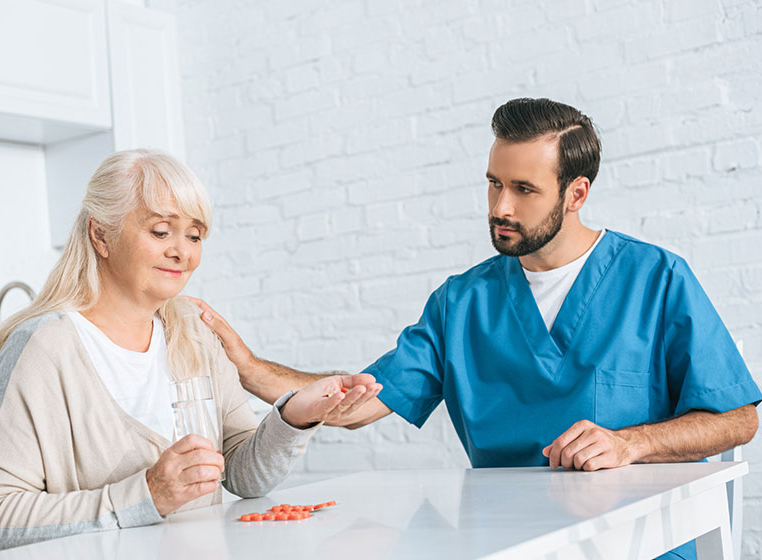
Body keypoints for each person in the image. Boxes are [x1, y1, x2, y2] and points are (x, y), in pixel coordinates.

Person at [189, 98, 761, 560]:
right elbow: (359, 402)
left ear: (577, 193)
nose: (500, 206)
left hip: (640, 541)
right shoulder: (461, 302)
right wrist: (248, 368)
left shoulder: (655, 277)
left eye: (524, 190)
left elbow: (739, 418)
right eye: (493, 183)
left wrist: (631, 442)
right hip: (509, 541)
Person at [0, 150, 374, 556]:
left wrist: (291, 417)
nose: (183, 252)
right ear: (100, 235)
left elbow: (242, 477)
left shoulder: (195, 335)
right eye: (161, 231)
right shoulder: (44, 348)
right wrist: (146, 494)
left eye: (194, 235)